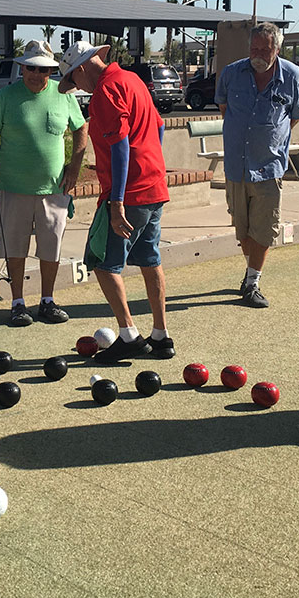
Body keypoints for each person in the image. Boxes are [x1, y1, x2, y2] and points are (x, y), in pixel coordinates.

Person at [59, 40, 173, 363]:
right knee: (150, 260)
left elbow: (120, 147)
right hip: (154, 188)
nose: (76, 87)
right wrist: (152, 167)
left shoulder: (105, 94)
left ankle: (129, 335)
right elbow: (159, 128)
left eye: (73, 79)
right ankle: (161, 335)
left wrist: (117, 201)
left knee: (101, 262)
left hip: (129, 194)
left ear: (81, 68)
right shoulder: (133, 80)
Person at [0, 40, 87, 326]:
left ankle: (47, 302)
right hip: (13, 186)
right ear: (22, 69)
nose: (37, 75)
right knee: (15, 247)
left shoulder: (64, 95)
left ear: (51, 71)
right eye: (32, 68)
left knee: (52, 247)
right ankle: (17, 303)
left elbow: (81, 128)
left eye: (44, 70)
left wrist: (74, 168)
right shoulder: (5, 97)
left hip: (54, 188)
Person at [215, 22, 299, 309]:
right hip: (236, 167)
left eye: (265, 50)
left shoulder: (292, 77)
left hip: (268, 167)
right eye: (254, 48)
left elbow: (293, 117)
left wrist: (268, 140)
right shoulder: (231, 74)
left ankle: (253, 282)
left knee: (264, 229)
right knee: (242, 230)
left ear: (277, 49)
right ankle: (249, 273)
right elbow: (225, 109)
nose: (258, 54)